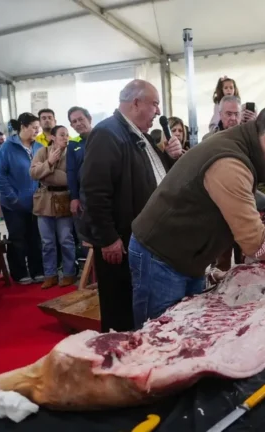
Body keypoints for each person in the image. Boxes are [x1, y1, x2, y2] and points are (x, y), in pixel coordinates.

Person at [129, 101, 265, 328]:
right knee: (159, 335)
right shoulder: (231, 161)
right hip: (162, 258)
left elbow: (237, 185)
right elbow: (255, 244)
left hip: (187, 256)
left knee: (188, 330)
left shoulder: (237, 144)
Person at [80, 79, 183, 332]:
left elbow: (156, 177)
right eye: (154, 104)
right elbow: (94, 192)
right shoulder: (107, 133)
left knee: (138, 304)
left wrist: (170, 157)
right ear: (136, 103)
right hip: (121, 241)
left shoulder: (138, 135)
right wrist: (107, 238)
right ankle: (120, 351)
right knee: (121, 307)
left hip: (142, 240)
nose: (158, 111)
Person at [0, 113, 45, 285]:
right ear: (23, 127)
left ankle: (37, 270)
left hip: (35, 202)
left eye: (38, 128)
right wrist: (13, 198)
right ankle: (19, 272)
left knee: (35, 237)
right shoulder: (7, 148)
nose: (37, 131)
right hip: (13, 204)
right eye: (34, 128)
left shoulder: (39, 147)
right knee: (18, 238)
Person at [30, 125, 76, 289]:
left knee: (66, 240)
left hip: (64, 199)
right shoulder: (42, 152)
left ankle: (69, 273)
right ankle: (50, 275)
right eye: (62, 135)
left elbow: (70, 179)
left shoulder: (71, 153)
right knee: (47, 242)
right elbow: (33, 174)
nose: (65, 138)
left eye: (67, 135)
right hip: (44, 201)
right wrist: (49, 162)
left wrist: (47, 173)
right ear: (53, 137)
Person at [66, 106, 92, 239]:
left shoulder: (104, 137)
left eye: (81, 119)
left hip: (107, 193)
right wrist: (74, 198)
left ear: (89, 119)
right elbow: (71, 172)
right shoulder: (72, 144)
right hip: (84, 196)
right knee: (87, 235)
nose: (78, 124)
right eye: (74, 122)